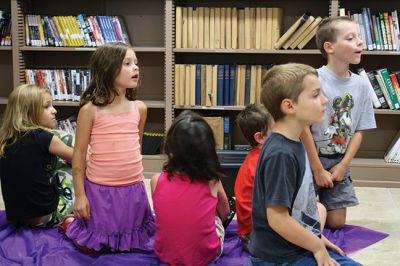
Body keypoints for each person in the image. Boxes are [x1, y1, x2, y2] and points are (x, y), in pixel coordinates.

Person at [248, 63, 360, 265]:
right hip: (280, 258)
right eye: (316, 95)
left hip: (298, 246)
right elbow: (278, 219)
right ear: (289, 106)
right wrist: (315, 246)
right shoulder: (280, 154)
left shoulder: (294, 141)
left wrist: (317, 237)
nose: (325, 100)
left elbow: (298, 208)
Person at [65, 42, 155, 253]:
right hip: (100, 191)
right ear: (108, 69)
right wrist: (80, 195)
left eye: (136, 63)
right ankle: (70, 221)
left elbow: (137, 146)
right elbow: (78, 154)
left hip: (133, 189)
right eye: (127, 63)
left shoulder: (140, 108)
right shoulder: (90, 110)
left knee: (133, 243)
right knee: (91, 247)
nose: (136, 68)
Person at [301, 16, 376, 229]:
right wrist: (316, 169)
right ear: (329, 47)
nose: (360, 42)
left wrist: (343, 165)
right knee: (312, 218)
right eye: (351, 38)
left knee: (336, 224)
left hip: (338, 162)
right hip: (310, 160)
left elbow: (360, 129)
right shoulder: (313, 78)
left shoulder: (361, 84)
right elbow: (303, 127)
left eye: (359, 37)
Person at [151, 110, 230, 266]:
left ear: (170, 147)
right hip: (206, 256)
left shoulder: (156, 180)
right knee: (214, 214)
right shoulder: (212, 181)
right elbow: (225, 212)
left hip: (165, 253)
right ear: (208, 149)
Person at [0, 84, 73, 227]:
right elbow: (81, 159)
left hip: (19, 218)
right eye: (47, 107)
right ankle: (70, 217)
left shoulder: (6, 140)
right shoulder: (45, 138)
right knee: (73, 162)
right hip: (46, 217)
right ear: (29, 112)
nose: (54, 110)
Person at [234, 103, 273, 251]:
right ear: (260, 138)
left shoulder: (253, 158)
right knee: (318, 210)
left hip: (248, 235)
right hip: (260, 239)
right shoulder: (266, 162)